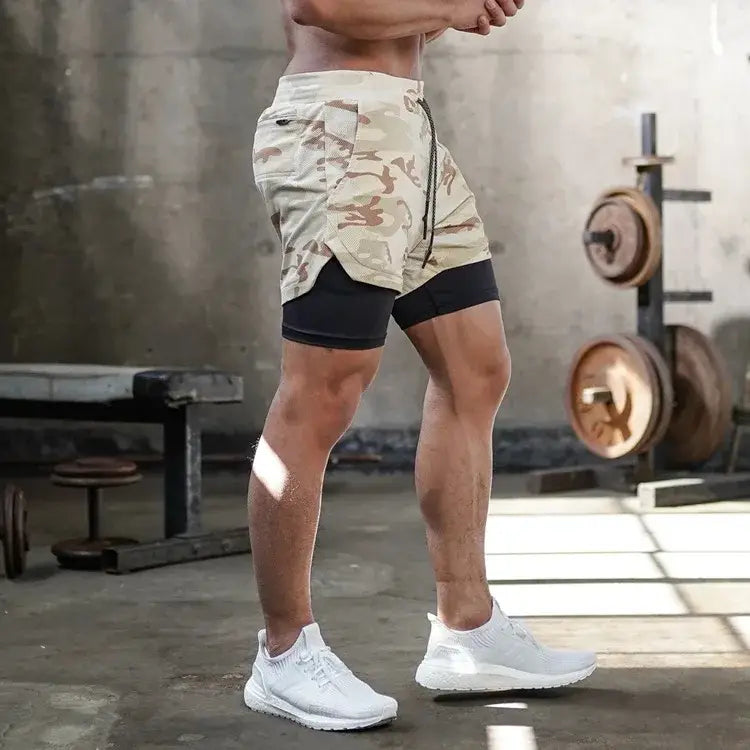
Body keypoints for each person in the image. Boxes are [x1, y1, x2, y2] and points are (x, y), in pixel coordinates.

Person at [245, 0, 597, 731]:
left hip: (405, 130)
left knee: (476, 369)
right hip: (338, 130)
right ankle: (282, 654)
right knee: (323, 391)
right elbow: (317, 6)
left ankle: (468, 629)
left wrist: (458, 10)